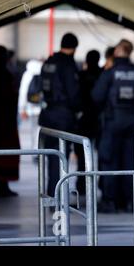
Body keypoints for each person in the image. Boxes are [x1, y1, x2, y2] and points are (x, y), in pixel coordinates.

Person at [92, 39, 134, 213]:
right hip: (133, 121)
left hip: (112, 121)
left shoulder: (110, 73)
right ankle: (129, 201)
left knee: (109, 160)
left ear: (117, 52)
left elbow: (97, 96)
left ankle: (110, 200)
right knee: (130, 161)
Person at [39, 33, 81, 197]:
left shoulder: (49, 62)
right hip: (63, 114)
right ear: (74, 48)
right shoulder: (67, 64)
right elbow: (73, 92)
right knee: (61, 155)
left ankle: (52, 192)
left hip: (48, 113)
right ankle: (58, 194)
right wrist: (79, 109)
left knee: (52, 155)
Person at [0, 45, 21, 197]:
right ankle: (2, 185)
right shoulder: (5, 74)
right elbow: (10, 98)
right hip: (3, 124)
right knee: (3, 156)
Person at [74, 50, 102, 195]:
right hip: (99, 119)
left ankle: (82, 186)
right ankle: (103, 185)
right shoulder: (102, 74)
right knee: (104, 155)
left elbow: (76, 96)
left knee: (82, 156)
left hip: (83, 119)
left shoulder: (81, 75)